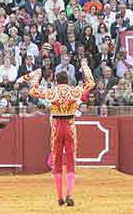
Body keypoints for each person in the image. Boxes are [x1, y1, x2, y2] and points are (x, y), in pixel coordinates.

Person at [18, 59, 95, 206]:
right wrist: (85, 66)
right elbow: (91, 83)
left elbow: (32, 91)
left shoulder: (51, 92)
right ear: (68, 80)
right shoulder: (75, 91)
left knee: (57, 162)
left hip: (56, 128)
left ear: (56, 81)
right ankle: (69, 195)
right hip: (70, 127)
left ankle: (60, 197)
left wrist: (36, 76)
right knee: (71, 162)